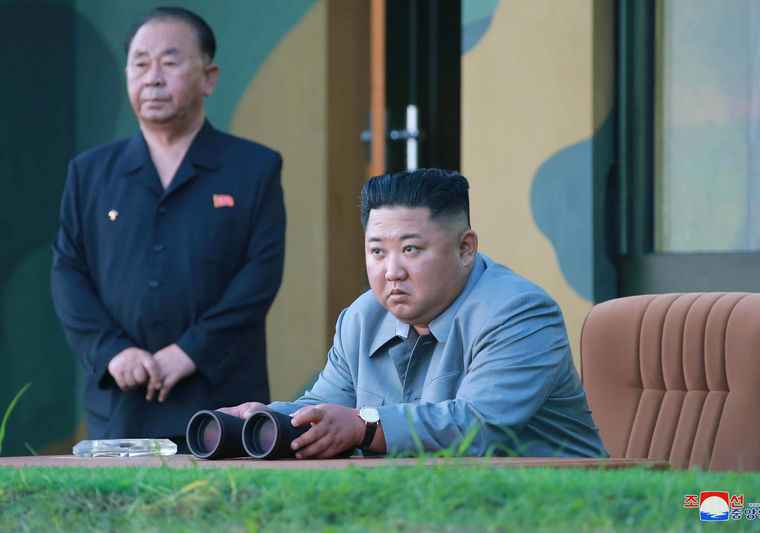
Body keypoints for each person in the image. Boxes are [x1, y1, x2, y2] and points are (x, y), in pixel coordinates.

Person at [219, 169, 605, 458]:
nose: (391, 271)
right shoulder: (362, 316)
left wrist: (363, 426)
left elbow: (480, 426)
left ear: (466, 248)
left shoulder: (520, 312)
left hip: (556, 507)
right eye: (377, 251)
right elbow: (326, 406)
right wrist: (267, 418)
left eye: (411, 250)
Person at [51, 7, 285, 449]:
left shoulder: (254, 168)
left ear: (209, 77)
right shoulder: (89, 172)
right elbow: (68, 273)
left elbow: (261, 275)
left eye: (170, 61)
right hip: (122, 398)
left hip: (221, 396)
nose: (153, 77)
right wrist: (111, 351)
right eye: (140, 63)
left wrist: (191, 352)